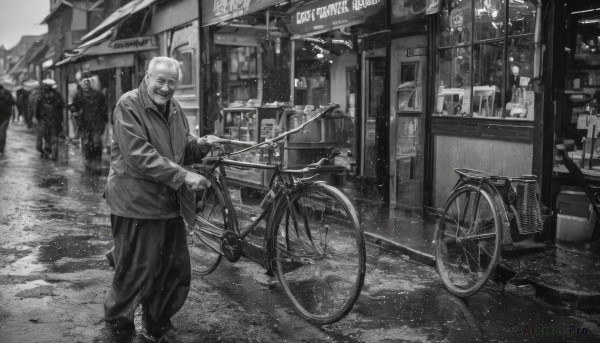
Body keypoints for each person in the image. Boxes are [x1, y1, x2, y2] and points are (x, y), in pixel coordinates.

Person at [103, 56, 222, 343]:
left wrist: (200, 145)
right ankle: (119, 328)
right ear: (147, 78)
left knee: (173, 271)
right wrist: (183, 176)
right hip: (136, 204)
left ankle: (156, 326)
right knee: (135, 273)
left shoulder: (175, 109)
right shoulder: (129, 105)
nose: (166, 88)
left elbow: (180, 149)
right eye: (160, 80)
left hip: (168, 204)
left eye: (172, 82)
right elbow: (138, 155)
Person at [70, 72, 108, 172]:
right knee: (86, 145)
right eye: (83, 82)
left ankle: (96, 165)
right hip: (84, 125)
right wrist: (77, 116)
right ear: (81, 84)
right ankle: (88, 166)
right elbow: (73, 109)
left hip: (96, 124)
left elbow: (104, 109)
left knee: (96, 144)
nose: (85, 84)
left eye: (87, 82)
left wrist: (104, 122)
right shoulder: (78, 96)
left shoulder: (98, 95)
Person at [33, 79, 64, 160]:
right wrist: (61, 120)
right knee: (53, 136)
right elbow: (61, 108)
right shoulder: (57, 95)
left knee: (47, 136)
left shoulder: (41, 96)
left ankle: (48, 151)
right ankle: (53, 152)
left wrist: (36, 117)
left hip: (45, 119)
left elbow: (37, 107)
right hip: (54, 120)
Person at [0, 83, 15, 155]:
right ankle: (1, 150)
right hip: (6, 115)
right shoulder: (8, 93)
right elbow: (13, 102)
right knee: (3, 132)